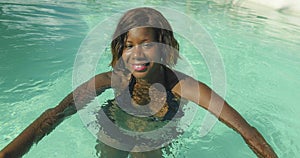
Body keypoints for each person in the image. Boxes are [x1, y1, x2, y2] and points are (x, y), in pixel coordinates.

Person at [0, 7, 277, 158]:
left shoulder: (184, 87)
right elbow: (53, 116)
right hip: (116, 123)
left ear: (165, 47)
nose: (137, 53)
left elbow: (247, 131)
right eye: (129, 45)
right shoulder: (110, 80)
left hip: (158, 130)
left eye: (147, 44)